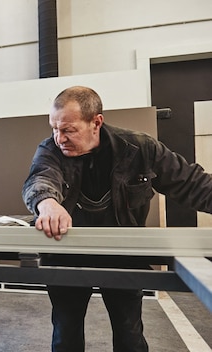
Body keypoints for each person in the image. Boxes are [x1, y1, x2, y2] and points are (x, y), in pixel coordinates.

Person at [22, 85, 212, 352]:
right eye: (54, 128)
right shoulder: (51, 149)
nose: (59, 137)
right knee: (66, 334)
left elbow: (193, 184)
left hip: (124, 255)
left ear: (96, 122)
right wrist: (47, 203)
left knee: (129, 334)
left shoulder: (140, 148)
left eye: (68, 130)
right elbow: (40, 177)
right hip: (67, 255)